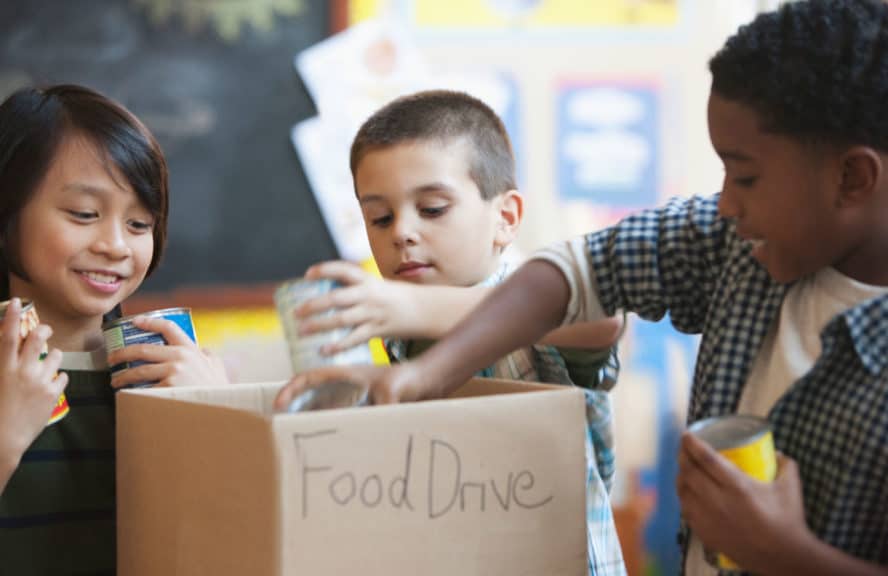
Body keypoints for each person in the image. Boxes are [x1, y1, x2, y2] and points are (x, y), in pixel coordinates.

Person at [275, 1, 888, 574]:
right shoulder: (729, 240)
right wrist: (418, 373)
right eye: (379, 219)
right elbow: (582, 275)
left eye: (746, 177)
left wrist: (785, 555)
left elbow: (595, 321)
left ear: (854, 176)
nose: (725, 199)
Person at [288, 89, 627, 575]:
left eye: (431, 209)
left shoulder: (536, 295)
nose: (400, 232)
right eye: (379, 218)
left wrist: (415, 305)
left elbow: (598, 318)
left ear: (505, 218)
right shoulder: (397, 334)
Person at [0, 84, 228, 574]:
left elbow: (233, 532)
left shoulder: (167, 365)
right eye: (84, 214)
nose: (115, 245)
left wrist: (222, 417)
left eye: (140, 224)